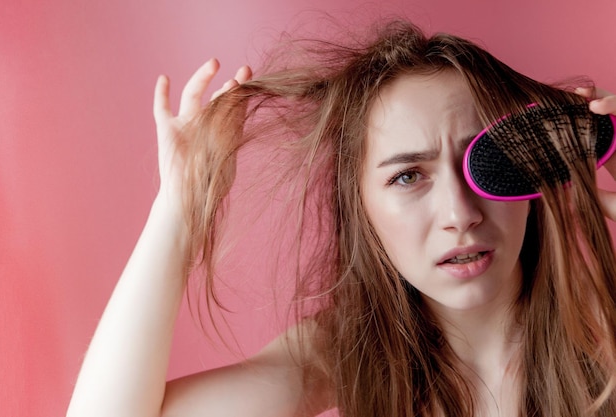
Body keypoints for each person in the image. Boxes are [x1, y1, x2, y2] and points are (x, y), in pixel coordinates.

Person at [66, 20, 616, 417]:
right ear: (363, 211)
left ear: (531, 168)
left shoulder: (604, 331)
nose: (459, 215)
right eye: (407, 177)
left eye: (484, 163)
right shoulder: (347, 354)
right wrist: (181, 211)